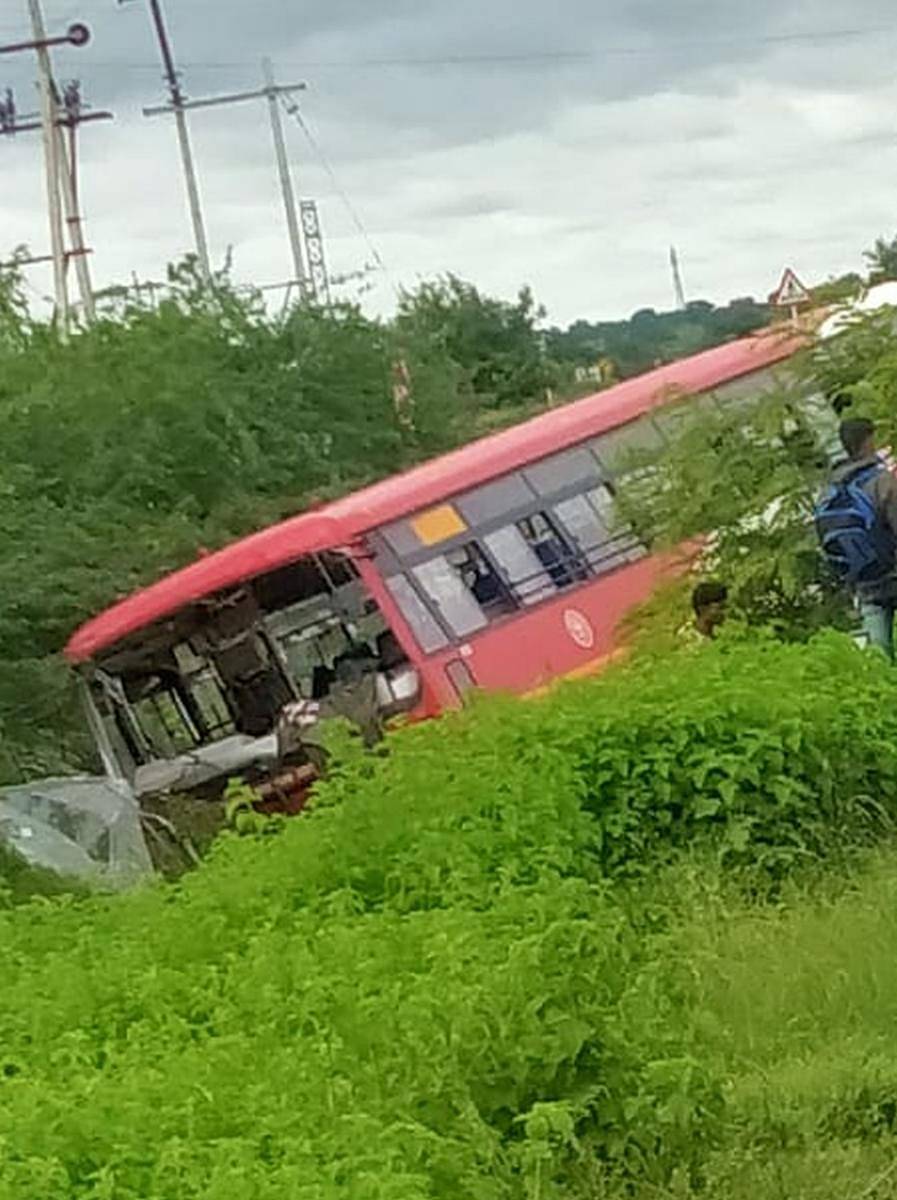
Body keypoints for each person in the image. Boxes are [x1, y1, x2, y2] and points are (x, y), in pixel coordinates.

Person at [817, 417, 897, 660]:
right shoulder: (881, 481)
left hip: (864, 584)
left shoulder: (828, 492)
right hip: (894, 571)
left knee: (879, 659)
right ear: (869, 441)